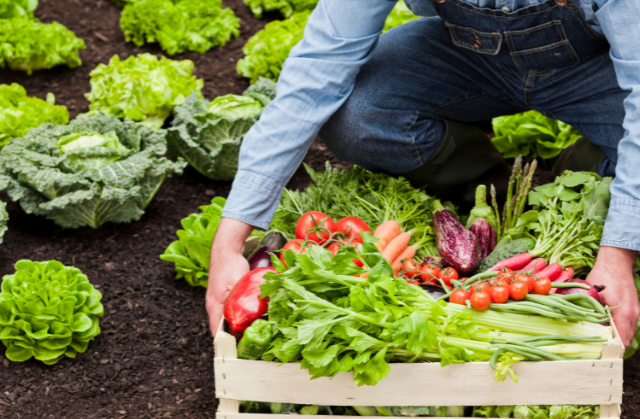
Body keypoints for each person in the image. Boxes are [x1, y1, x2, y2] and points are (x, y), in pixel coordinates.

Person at [206, 0, 640, 348]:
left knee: (625, 160)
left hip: (595, 69)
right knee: (358, 116)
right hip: (472, 57)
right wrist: (230, 238)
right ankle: (486, 184)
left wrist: (618, 253)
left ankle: (586, 174)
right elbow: (317, 70)